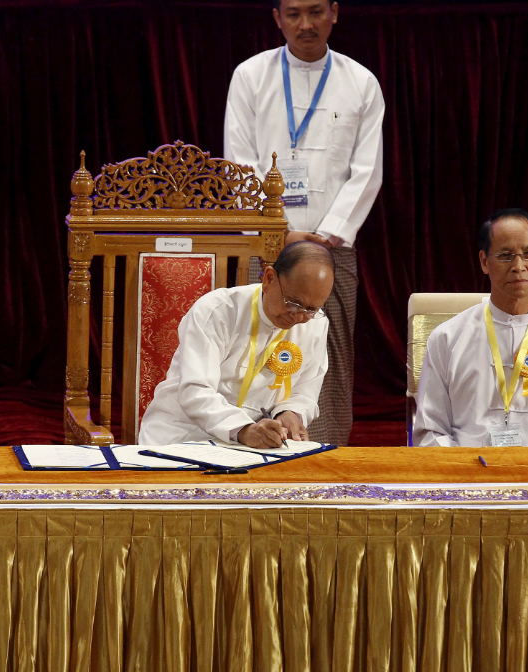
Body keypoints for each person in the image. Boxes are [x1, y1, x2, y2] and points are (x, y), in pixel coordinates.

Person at [223, 0, 384, 446]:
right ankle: (252, 442)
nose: (305, 24)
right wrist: (279, 232)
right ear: (277, 18)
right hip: (266, 245)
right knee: (254, 347)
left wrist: (325, 234)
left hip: (334, 246)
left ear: (335, 12)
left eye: (315, 12)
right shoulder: (250, 76)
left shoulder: (360, 82)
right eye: (293, 14)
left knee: (327, 358)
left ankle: (325, 449)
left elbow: (368, 170)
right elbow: (239, 162)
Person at [412, 209, 528, 447]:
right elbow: (431, 431)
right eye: (505, 255)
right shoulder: (447, 338)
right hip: (471, 477)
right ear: (484, 262)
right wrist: (467, 474)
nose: (518, 265)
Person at [139, 241, 334, 448]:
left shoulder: (316, 324)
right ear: (269, 279)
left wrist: (290, 413)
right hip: (186, 435)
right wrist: (243, 430)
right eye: (292, 303)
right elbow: (196, 391)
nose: (299, 316)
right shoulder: (218, 310)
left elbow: (305, 391)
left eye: (311, 309)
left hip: (259, 443)